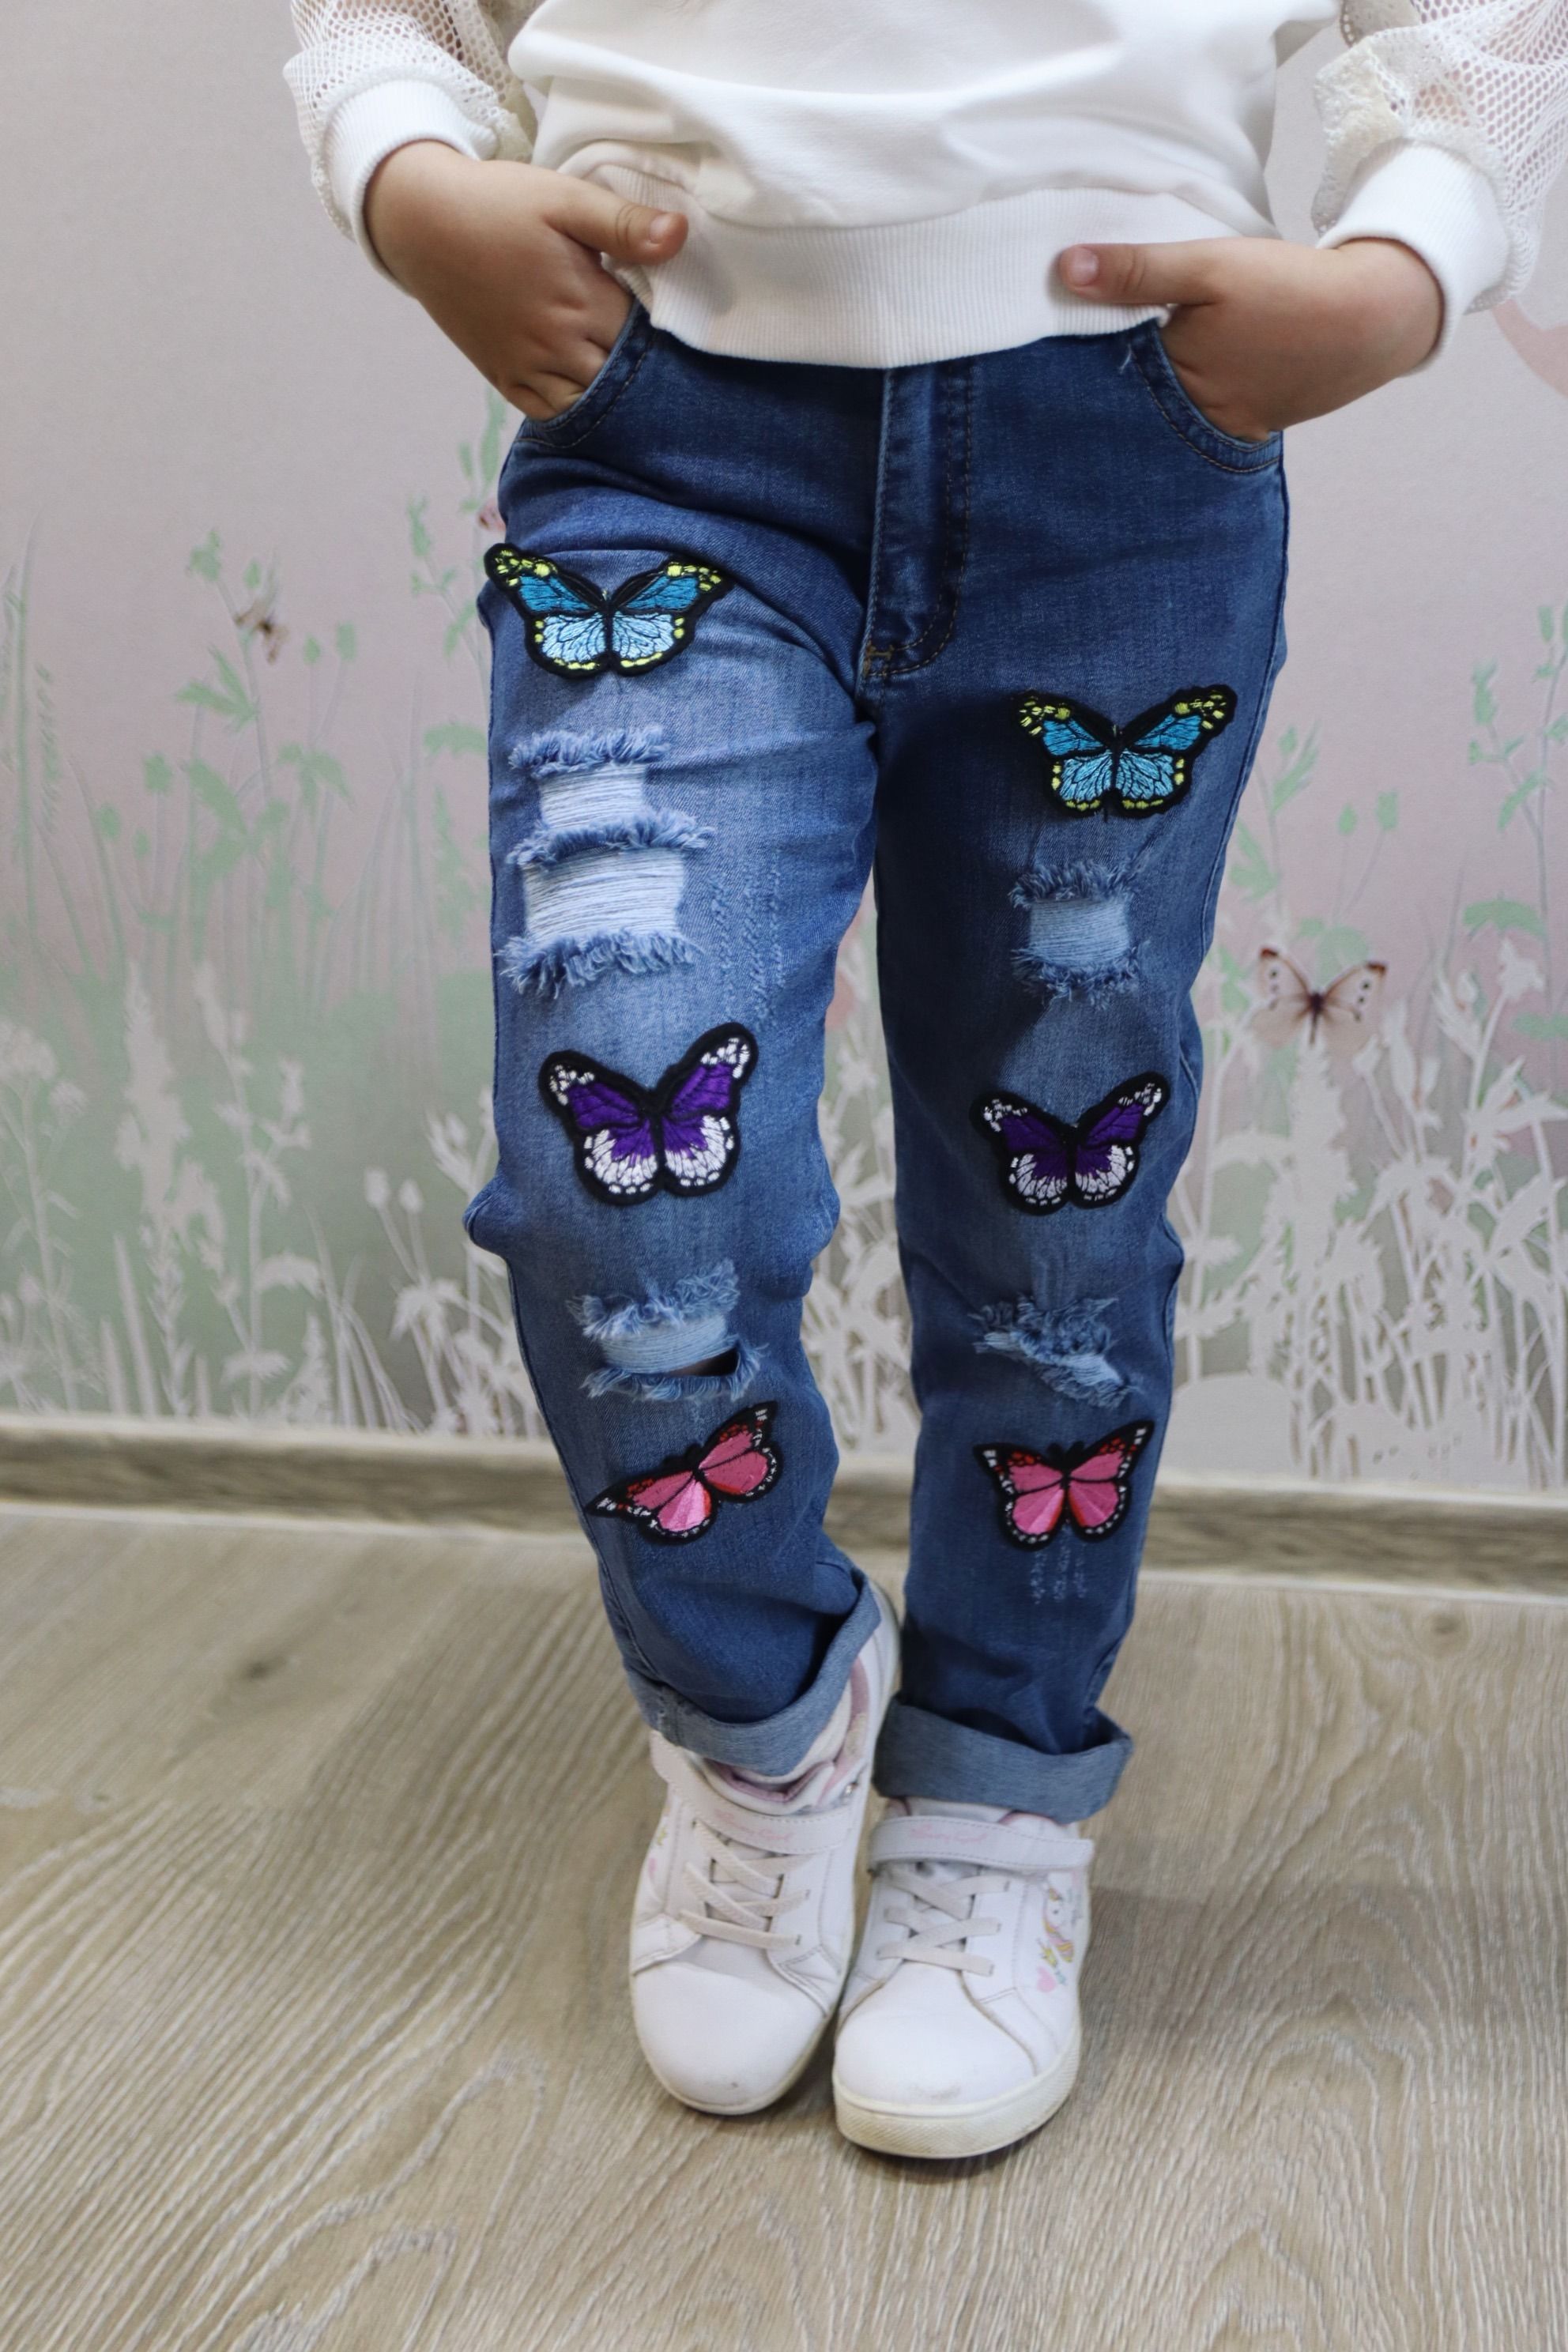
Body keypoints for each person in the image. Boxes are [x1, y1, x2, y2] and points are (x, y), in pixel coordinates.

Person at [284, 2, 1568, 2160]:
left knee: (1054, 1209)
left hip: (1125, 454)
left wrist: (1406, 262)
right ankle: (766, 1721)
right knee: (624, 1169)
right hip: (669, 447)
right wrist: (408, 178)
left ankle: (996, 1786)